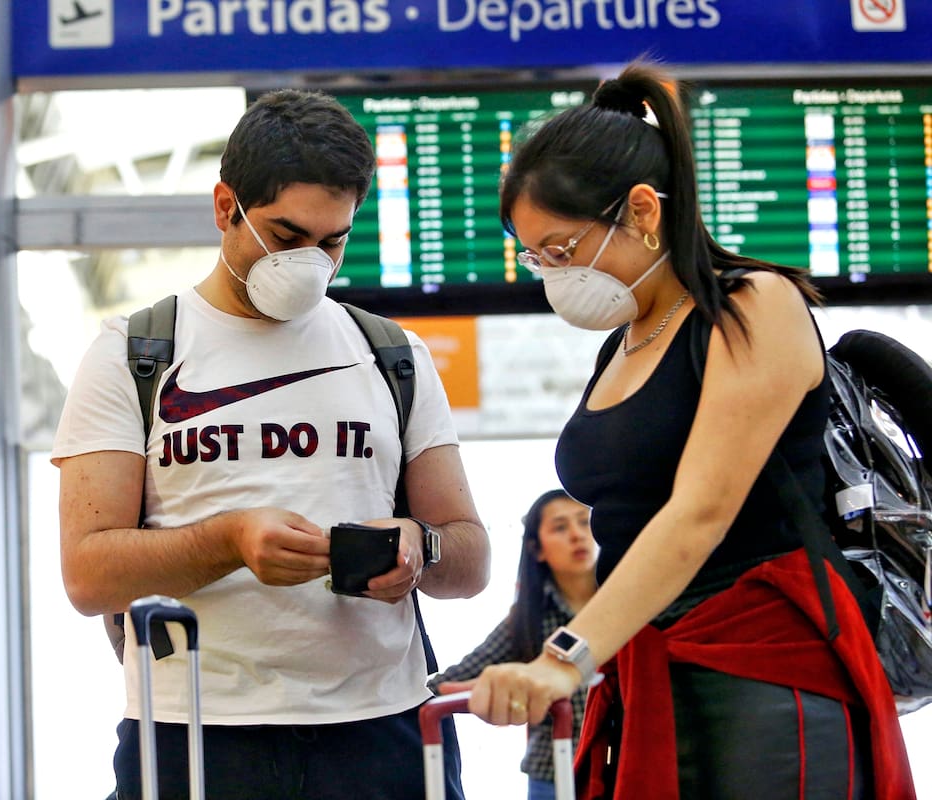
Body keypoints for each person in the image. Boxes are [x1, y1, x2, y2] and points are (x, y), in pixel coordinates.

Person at [439, 61, 917, 799]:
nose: (548, 275)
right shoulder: (625, 341)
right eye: (534, 258)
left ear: (641, 209)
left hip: (767, 670)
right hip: (649, 669)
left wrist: (566, 654)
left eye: (560, 250)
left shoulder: (755, 306)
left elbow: (700, 513)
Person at [51, 89, 491, 800]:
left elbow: (468, 558)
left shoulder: (391, 354)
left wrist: (417, 543)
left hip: (381, 727)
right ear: (226, 207)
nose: (311, 263)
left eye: (333, 241)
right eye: (287, 238)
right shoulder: (133, 354)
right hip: (193, 729)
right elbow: (87, 574)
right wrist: (228, 540)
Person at [430, 489, 596, 800]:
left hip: (624, 765)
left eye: (585, 523)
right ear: (537, 549)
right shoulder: (526, 620)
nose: (577, 535)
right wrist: (498, 694)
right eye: (561, 527)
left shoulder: (629, 604)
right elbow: (444, 685)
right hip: (555, 774)